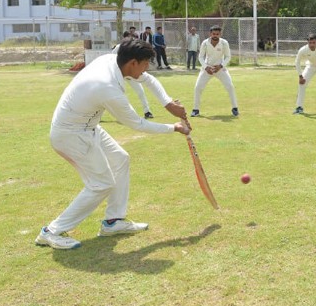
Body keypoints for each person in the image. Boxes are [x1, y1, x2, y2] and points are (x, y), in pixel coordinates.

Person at [35, 38, 190, 250]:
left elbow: (148, 80)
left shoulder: (112, 60)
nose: (146, 69)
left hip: (88, 127)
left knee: (120, 159)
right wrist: (174, 127)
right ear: (133, 63)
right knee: (102, 184)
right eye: (145, 64)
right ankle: (50, 231)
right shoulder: (107, 87)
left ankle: (113, 222)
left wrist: (168, 103)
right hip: (71, 135)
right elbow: (137, 124)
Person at [191, 25, 239, 117]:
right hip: (207, 68)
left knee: (230, 86)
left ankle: (235, 108)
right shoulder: (205, 43)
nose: (215, 36)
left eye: (217, 34)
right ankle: (195, 109)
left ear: (220, 34)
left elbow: (228, 56)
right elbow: (200, 57)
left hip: (220, 68)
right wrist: (206, 67)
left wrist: (220, 66)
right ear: (210, 34)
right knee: (198, 87)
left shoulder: (224, 43)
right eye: (213, 34)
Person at [112, 33, 156, 119]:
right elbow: (113, 59)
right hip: (119, 75)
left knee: (140, 92)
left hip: (132, 74)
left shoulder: (135, 49)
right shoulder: (118, 47)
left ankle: (147, 111)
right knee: (115, 94)